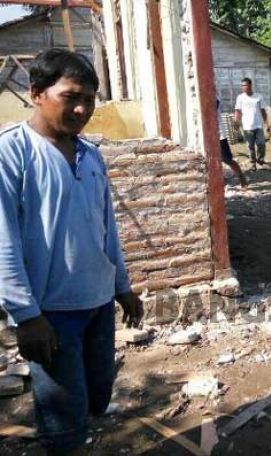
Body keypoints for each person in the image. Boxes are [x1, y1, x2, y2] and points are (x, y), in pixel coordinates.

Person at [0, 49, 143, 455]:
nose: (83, 108)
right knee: (64, 418)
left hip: (98, 304)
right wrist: (26, 316)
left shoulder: (91, 155)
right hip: (50, 314)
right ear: (36, 93)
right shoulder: (12, 153)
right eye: (71, 96)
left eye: (91, 99)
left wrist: (122, 287)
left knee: (98, 395)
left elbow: (106, 229)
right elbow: (2, 240)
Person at [234, 77, 271, 170]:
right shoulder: (240, 97)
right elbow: (238, 111)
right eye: (242, 86)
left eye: (245, 85)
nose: (243, 87)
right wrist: (236, 123)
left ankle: (260, 161)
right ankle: (253, 163)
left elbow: (263, 111)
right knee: (250, 146)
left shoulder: (258, 96)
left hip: (258, 125)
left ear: (250, 85)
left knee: (261, 144)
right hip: (247, 126)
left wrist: (267, 123)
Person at [217, 97, 247, 187]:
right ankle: (220, 180)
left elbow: (213, 106)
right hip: (207, 136)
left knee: (227, 159)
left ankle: (242, 177)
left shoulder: (215, 97)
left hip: (220, 135)